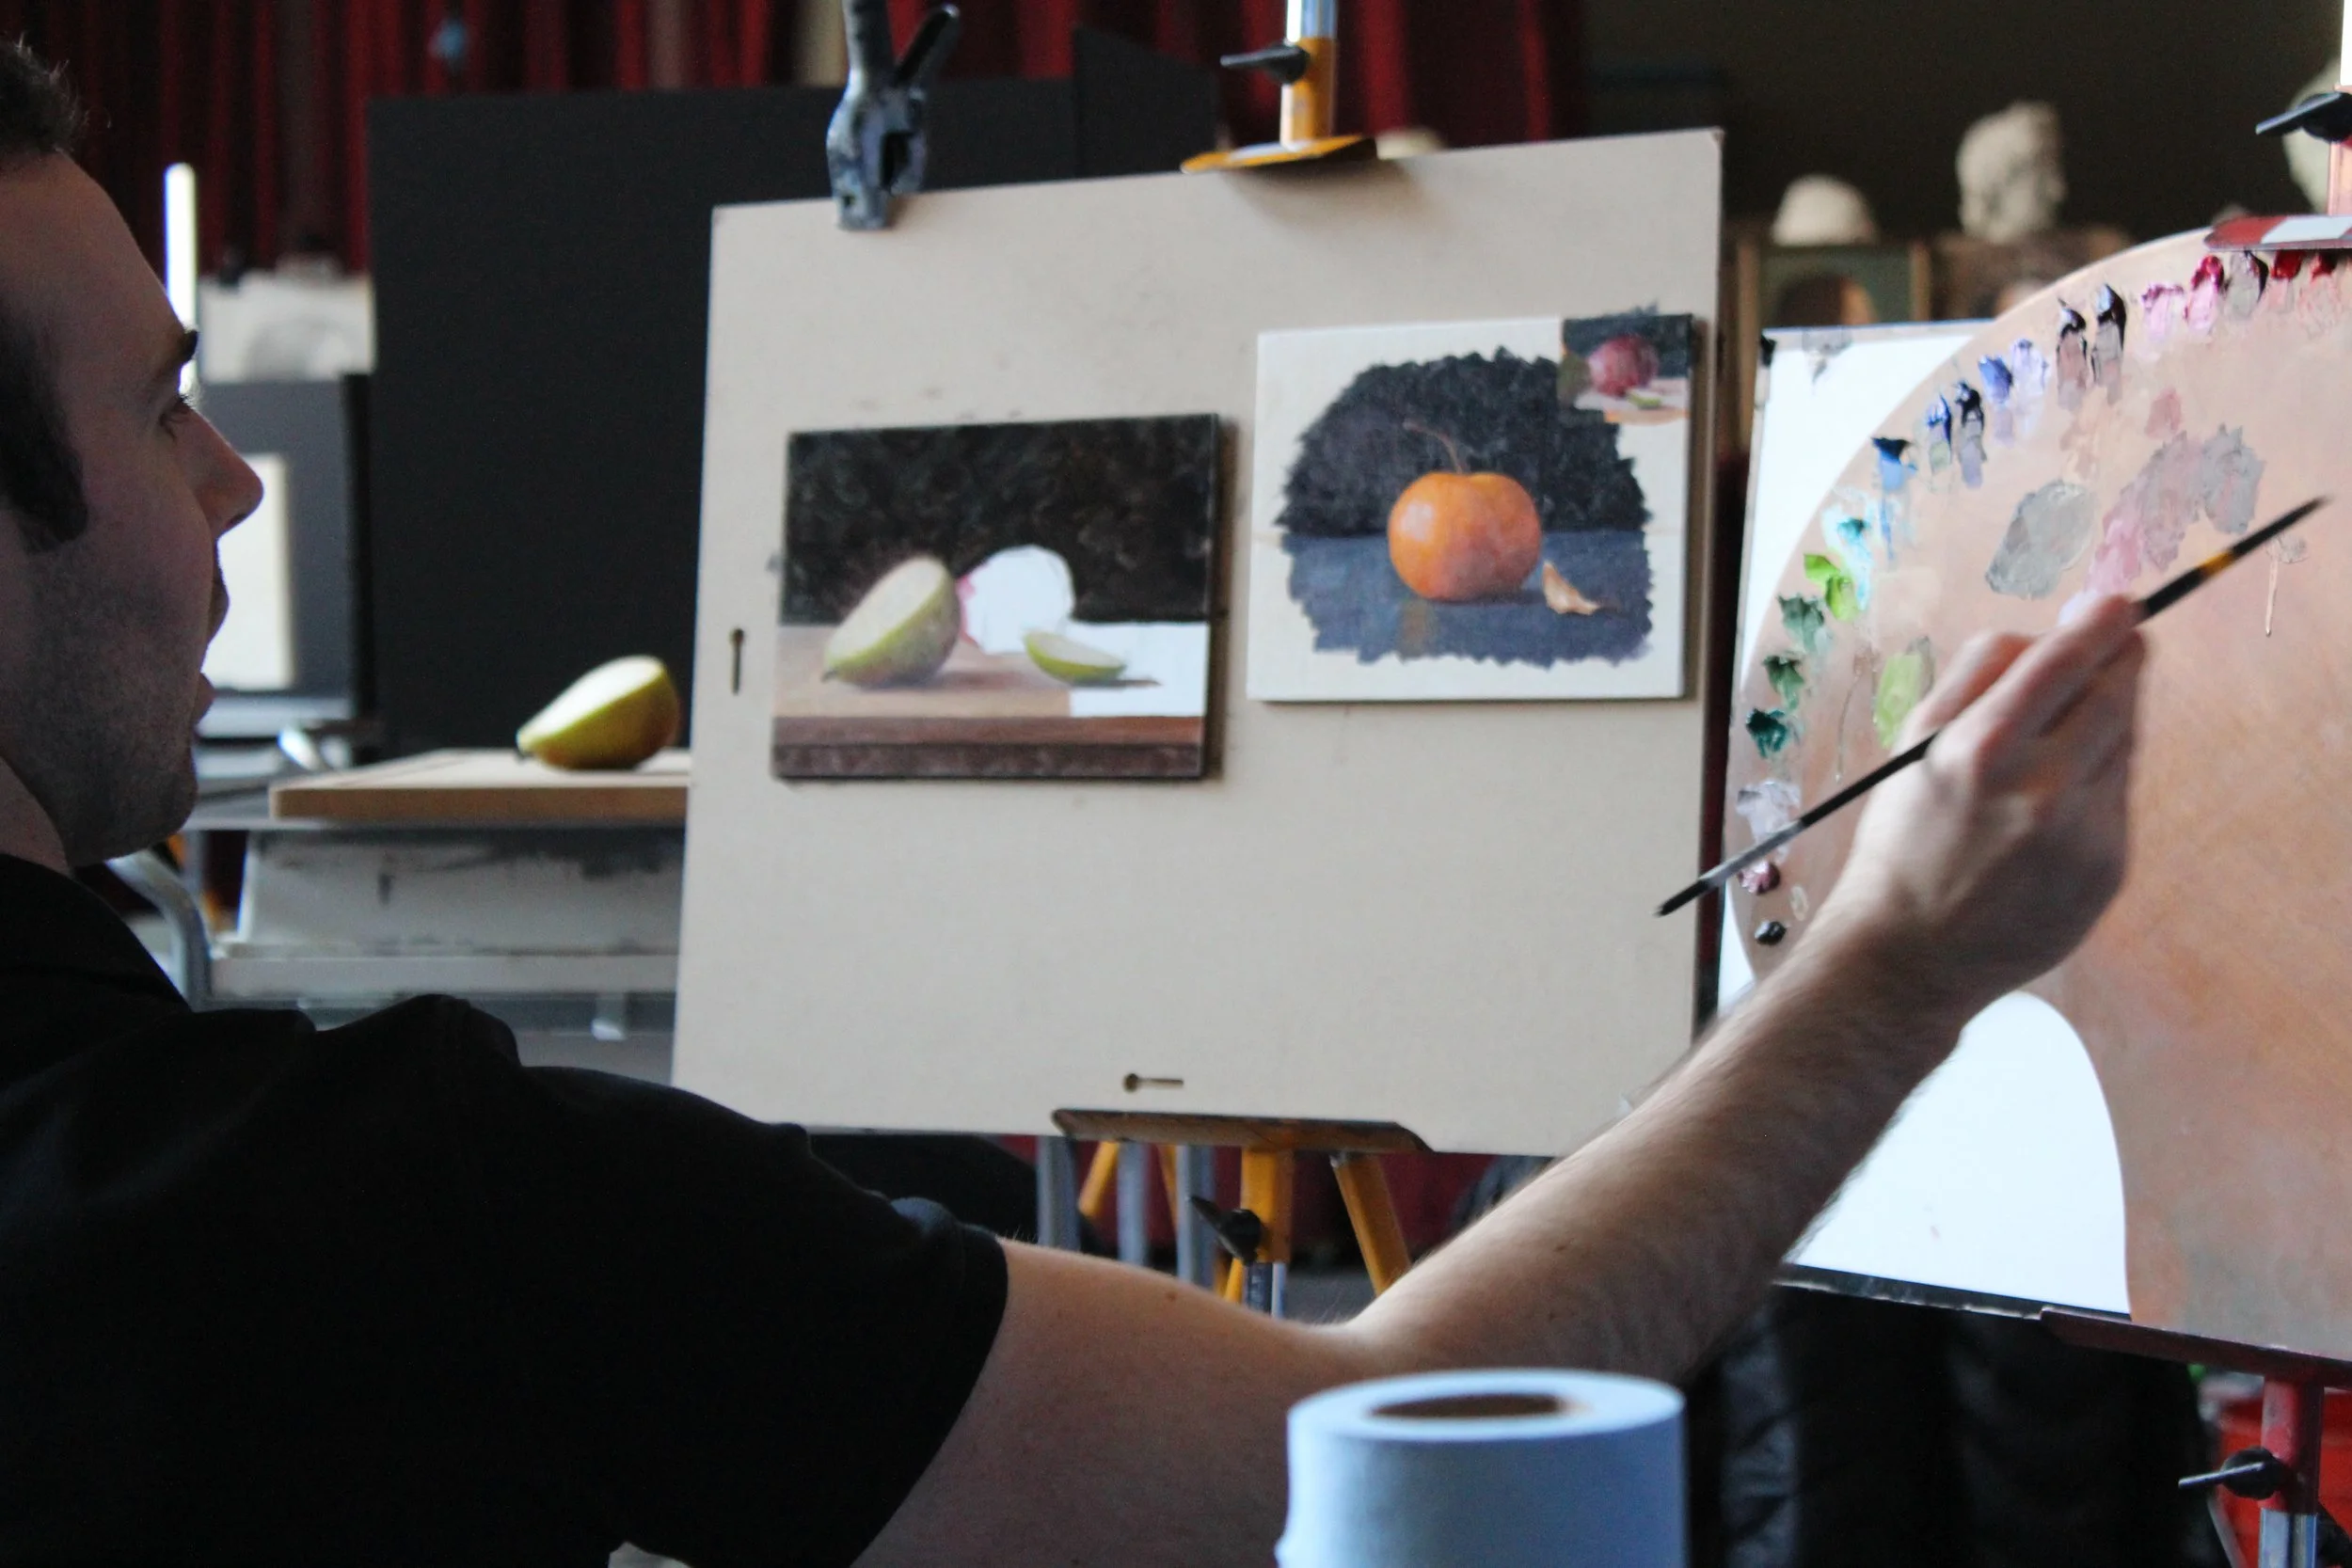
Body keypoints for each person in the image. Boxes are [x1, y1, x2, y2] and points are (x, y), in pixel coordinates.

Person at [0, 41, 2147, 1567]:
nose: (238, 480)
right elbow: (1339, 1443)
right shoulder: (352, 1213)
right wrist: (1896, 957)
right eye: (165, 408)